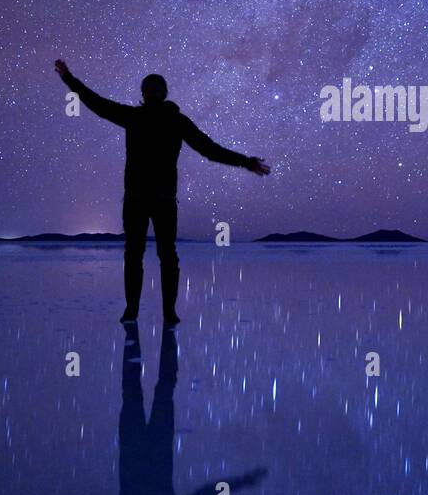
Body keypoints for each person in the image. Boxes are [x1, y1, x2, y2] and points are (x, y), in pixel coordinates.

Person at [54, 60, 270, 325]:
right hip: (137, 199)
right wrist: (69, 79)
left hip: (163, 201)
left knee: (164, 256)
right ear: (144, 93)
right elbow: (96, 103)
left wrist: (246, 162)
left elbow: (208, 149)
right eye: (149, 89)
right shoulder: (135, 117)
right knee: (136, 255)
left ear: (163, 93)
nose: (153, 93)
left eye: (157, 89)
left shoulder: (175, 121)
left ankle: (167, 311)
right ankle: (133, 309)